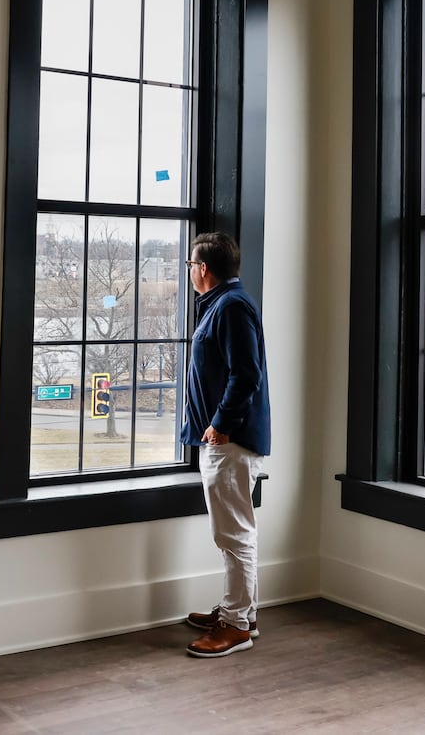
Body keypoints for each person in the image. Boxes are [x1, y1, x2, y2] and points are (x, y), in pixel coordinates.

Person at [180, 231, 270, 659]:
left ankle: (235, 626)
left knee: (232, 533)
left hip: (228, 440)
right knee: (234, 531)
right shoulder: (224, 304)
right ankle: (242, 612)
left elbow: (246, 375)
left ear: (203, 269)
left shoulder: (231, 307)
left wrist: (220, 425)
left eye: (191, 266)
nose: (191, 273)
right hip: (222, 438)